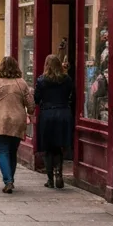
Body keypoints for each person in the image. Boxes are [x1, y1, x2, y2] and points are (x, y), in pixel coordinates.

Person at [0, 56, 36, 194]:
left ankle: (8, 180)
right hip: (16, 121)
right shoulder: (21, 83)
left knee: (3, 151)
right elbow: (31, 104)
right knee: (12, 151)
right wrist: (30, 112)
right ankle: (10, 179)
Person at [34, 55, 74, 189]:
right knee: (58, 146)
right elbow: (71, 95)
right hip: (63, 113)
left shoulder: (42, 80)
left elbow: (36, 98)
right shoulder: (67, 79)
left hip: (48, 114)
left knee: (48, 147)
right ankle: (59, 172)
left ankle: (50, 179)